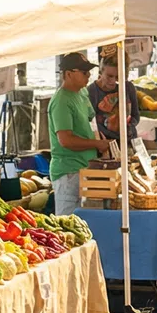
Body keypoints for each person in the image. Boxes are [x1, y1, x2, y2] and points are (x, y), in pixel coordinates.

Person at [48, 52, 109, 214]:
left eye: (89, 71)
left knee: (84, 222)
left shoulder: (82, 93)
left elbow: (91, 122)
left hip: (86, 168)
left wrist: (102, 143)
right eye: (84, 72)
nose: (88, 75)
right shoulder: (61, 101)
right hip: (68, 172)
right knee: (66, 222)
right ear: (68, 74)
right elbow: (66, 140)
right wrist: (97, 144)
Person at [90, 58, 141, 143]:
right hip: (106, 143)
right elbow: (93, 124)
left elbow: (135, 115)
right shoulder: (92, 91)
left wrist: (129, 127)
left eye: (118, 77)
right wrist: (114, 136)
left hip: (129, 140)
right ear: (101, 71)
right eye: (109, 76)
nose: (113, 81)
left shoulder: (128, 87)